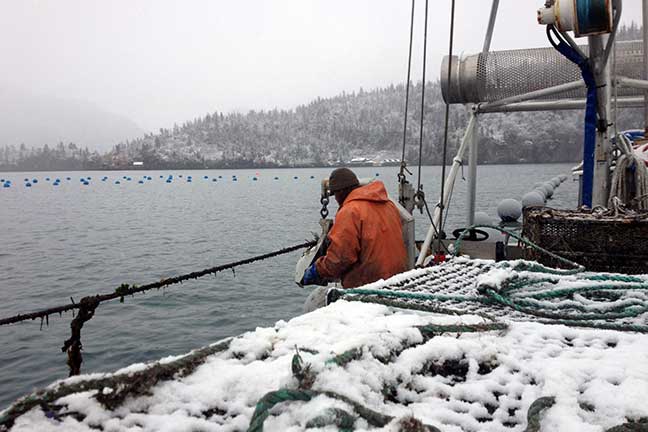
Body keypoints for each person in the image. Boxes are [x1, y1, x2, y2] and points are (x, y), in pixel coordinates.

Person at [302, 167, 407, 288]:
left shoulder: (350, 211)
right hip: (398, 280)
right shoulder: (389, 205)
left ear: (341, 191)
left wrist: (317, 270)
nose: (336, 199)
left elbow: (340, 258)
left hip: (370, 285)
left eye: (335, 194)